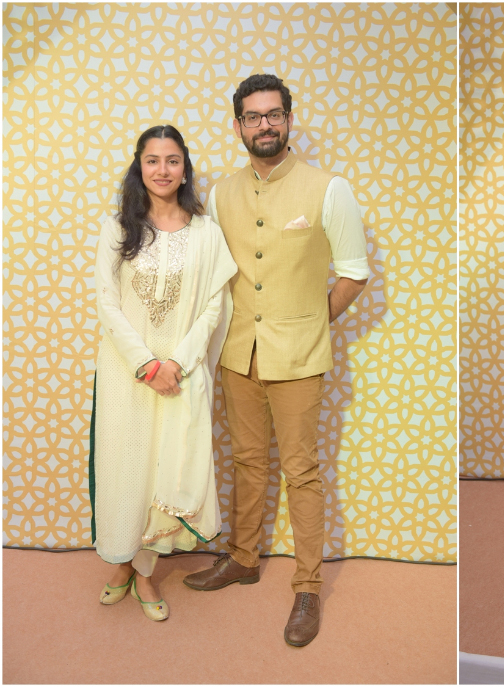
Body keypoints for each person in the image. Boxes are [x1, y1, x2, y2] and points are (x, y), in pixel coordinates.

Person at [182, 74, 370, 647]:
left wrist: (312, 322)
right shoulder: (220, 195)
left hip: (299, 358)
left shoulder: (329, 188)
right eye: (252, 116)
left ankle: (308, 587)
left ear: (288, 119)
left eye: (273, 114)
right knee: (245, 461)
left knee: (301, 470)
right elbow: (212, 272)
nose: (264, 124)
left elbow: (354, 273)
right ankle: (243, 557)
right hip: (238, 353)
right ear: (238, 125)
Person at [92, 125, 237, 621]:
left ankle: (145, 572)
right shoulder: (118, 229)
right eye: (152, 160)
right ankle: (121, 560)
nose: (162, 170)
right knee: (126, 467)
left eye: (172, 160)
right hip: (126, 374)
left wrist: (175, 363)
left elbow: (214, 305)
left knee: (166, 468)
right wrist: (146, 364)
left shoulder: (206, 233)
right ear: (140, 166)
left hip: (181, 374)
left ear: (184, 169)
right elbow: (107, 304)